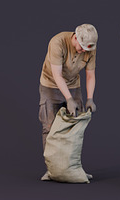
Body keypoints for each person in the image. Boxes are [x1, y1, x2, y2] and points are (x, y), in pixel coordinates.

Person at [39, 24, 98, 180]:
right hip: (50, 85)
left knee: (74, 127)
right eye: (82, 47)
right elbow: (57, 75)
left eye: (87, 49)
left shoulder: (90, 47)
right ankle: (52, 170)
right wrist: (69, 99)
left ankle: (73, 168)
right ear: (75, 37)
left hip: (73, 85)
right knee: (50, 127)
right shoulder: (57, 42)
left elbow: (90, 75)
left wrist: (90, 97)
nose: (84, 51)